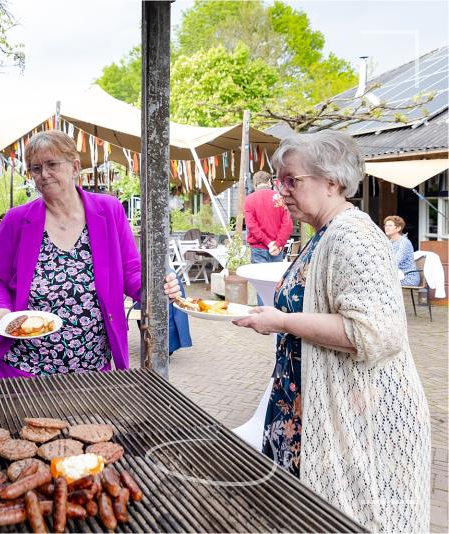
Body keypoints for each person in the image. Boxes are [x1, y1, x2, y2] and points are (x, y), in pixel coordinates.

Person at [164, 130, 429, 532]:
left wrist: (282, 321)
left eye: (291, 180)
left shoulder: (353, 235)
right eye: (277, 180)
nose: (280, 192)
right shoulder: (323, 233)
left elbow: (376, 331)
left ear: (332, 182)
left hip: (351, 415)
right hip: (308, 409)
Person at [0, 131, 145, 376]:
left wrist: (152, 290)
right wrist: (4, 314)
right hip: (26, 368)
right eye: (36, 168)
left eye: (52, 164)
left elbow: (130, 271)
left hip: (92, 367)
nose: (44, 174)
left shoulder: (109, 210)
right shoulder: (16, 220)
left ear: (75, 167)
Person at [244, 170, 293, 263]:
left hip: (258, 248)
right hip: (276, 249)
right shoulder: (281, 198)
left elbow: (251, 226)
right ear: (270, 183)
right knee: (275, 277)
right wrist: (277, 244)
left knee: (259, 277)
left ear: (255, 185)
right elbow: (287, 225)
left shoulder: (249, 200)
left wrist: (268, 242)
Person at [383, 215, 421, 286]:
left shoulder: (404, 242)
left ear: (398, 228)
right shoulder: (390, 242)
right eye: (386, 225)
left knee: (382, 284)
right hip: (396, 276)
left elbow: (396, 260)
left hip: (408, 277)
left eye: (390, 225)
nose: (387, 228)